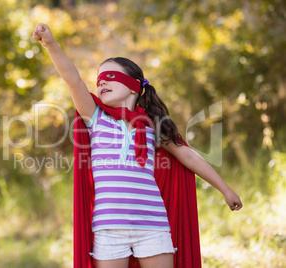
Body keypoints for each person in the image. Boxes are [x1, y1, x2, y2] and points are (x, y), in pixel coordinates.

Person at [33, 23, 243, 268]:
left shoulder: (152, 125)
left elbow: (188, 156)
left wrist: (225, 189)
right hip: (108, 227)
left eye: (110, 77)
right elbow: (73, 79)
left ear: (134, 85)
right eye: (99, 79)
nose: (101, 84)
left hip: (153, 224)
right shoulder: (96, 118)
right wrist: (51, 44)